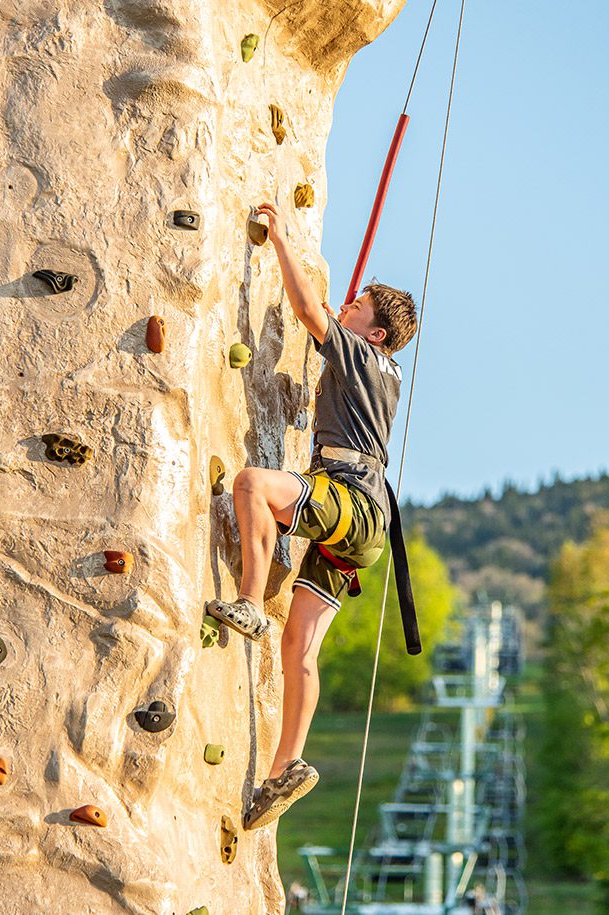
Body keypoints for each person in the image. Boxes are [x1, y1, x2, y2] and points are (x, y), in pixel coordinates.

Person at [206, 201, 418, 830]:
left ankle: (246, 601)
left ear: (373, 332)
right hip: (365, 525)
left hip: (349, 499)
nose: (344, 310)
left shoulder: (361, 355)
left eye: (357, 310)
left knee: (253, 485)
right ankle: (283, 769)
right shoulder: (379, 371)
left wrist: (280, 239)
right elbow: (324, 323)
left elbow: (307, 311)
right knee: (299, 646)